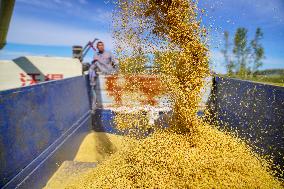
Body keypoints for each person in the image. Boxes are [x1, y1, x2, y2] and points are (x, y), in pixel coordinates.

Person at [89, 41, 119, 112]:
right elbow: (93, 66)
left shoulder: (109, 53)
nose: (101, 46)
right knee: (93, 66)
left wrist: (116, 72)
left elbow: (115, 62)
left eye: (102, 45)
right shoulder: (95, 54)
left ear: (103, 46)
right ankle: (92, 83)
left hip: (109, 72)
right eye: (99, 45)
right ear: (97, 47)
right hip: (101, 73)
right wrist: (93, 75)